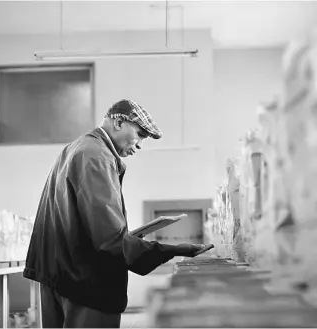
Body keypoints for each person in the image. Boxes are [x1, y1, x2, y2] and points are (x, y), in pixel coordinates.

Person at [23, 99, 209, 328]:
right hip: (85, 284)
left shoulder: (76, 148)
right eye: (140, 134)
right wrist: (172, 250)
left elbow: (84, 224)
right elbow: (109, 241)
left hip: (59, 276)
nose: (140, 145)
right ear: (119, 122)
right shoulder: (96, 156)